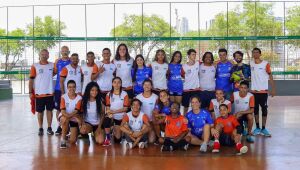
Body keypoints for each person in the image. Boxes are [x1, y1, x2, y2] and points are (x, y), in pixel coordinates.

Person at [250, 47, 276, 137]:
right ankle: (257, 128)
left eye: (257, 52)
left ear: (260, 54)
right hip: (254, 92)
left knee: (264, 110)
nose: (255, 54)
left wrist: (273, 89)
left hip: (263, 92)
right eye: (254, 52)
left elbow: (270, 76)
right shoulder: (251, 64)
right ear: (252, 54)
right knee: (255, 110)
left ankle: (264, 128)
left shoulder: (265, 64)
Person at [29, 49, 55, 136]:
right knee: (40, 112)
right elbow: (31, 80)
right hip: (39, 93)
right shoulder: (35, 66)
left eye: (46, 54)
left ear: (48, 55)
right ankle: (40, 128)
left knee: (49, 111)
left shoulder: (52, 65)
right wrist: (30, 92)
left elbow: (55, 73)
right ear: (40, 55)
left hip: (50, 93)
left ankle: (49, 128)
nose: (44, 55)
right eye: (42, 54)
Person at [102, 77, 130, 146]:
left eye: (118, 82)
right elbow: (108, 107)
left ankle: (114, 129)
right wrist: (109, 113)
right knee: (107, 119)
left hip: (121, 117)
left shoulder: (124, 94)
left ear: (121, 84)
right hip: (112, 116)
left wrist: (114, 112)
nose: (117, 84)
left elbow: (125, 108)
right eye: (115, 82)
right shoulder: (108, 94)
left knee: (117, 139)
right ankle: (108, 138)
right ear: (112, 84)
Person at [59, 80, 82, 149]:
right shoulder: (63, 97)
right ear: (67, 88)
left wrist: (70, 117)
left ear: (76, 87)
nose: (72, 89)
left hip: (74, 117)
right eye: (70, 87)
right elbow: (63, 111)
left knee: (72, 141)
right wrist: (68, 117)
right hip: (65, 116)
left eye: (73, 87)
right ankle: (63, 140)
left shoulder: (79, 98)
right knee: (64, 119)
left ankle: (72, 132)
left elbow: (76, 111)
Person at [54, 46, 71, 135]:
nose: (64, 52)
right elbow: (54, 72)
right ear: (61, 52)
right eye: (63, 51)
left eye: (66, 51)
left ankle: (69, 127)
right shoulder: (57, 62)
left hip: (70, 90)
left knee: (69, 107)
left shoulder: (71, 61)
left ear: (69, 52)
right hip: (58, 89)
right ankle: (59, 126)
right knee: (59, 109)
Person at [136, 79, 158, 143]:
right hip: (141, 122)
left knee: (151, 141)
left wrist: (151, 123)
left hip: (151, 122)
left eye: (149, 85)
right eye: (145, 85)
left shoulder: (156, 97)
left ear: (151, 86)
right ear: (142, 86)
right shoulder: (138, 97)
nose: (147, 86)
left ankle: (153, 133)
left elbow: (156, 111)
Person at [182, 49, 201, 115]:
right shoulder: (184, 66)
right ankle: (184, 121)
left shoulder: (198, 63)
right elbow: (182, 76)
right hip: (186, 89)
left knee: (196, 107)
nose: (194, 56)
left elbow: (210, 62)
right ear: (188, 56)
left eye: (195, 55)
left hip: (196, 89)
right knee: (186, 107)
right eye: (193, 54)